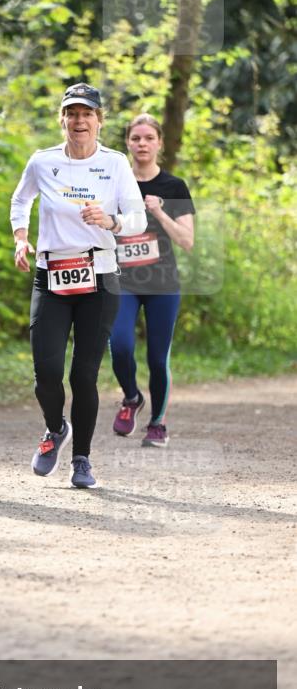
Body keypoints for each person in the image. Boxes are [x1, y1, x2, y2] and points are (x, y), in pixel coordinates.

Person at [11, 83, 146, 488]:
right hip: (51, 275)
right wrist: (21, 237)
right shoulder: (43, 161)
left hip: (100, 276)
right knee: (46, 373)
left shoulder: (116, 164)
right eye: (72, 113)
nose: (79, 121)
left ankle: (82, 460)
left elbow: (138, 217)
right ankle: (55, 429)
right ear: (62, 120)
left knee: (83, 375)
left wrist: (111, 221)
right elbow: (21, 201)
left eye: (87, 114)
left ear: (99, 120)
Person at [110, 113, 195, 447]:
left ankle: (157, 424)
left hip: (162, 285)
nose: (142, 144)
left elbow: (187, 241)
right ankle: (132, 397)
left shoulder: (173, 187)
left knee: (158, 359)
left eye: (148, 138)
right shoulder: (117, 183)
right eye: (135, 138)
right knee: (119, 346)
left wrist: (159, 211)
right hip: (122, 281)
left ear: (159, 142)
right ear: (128, 143)